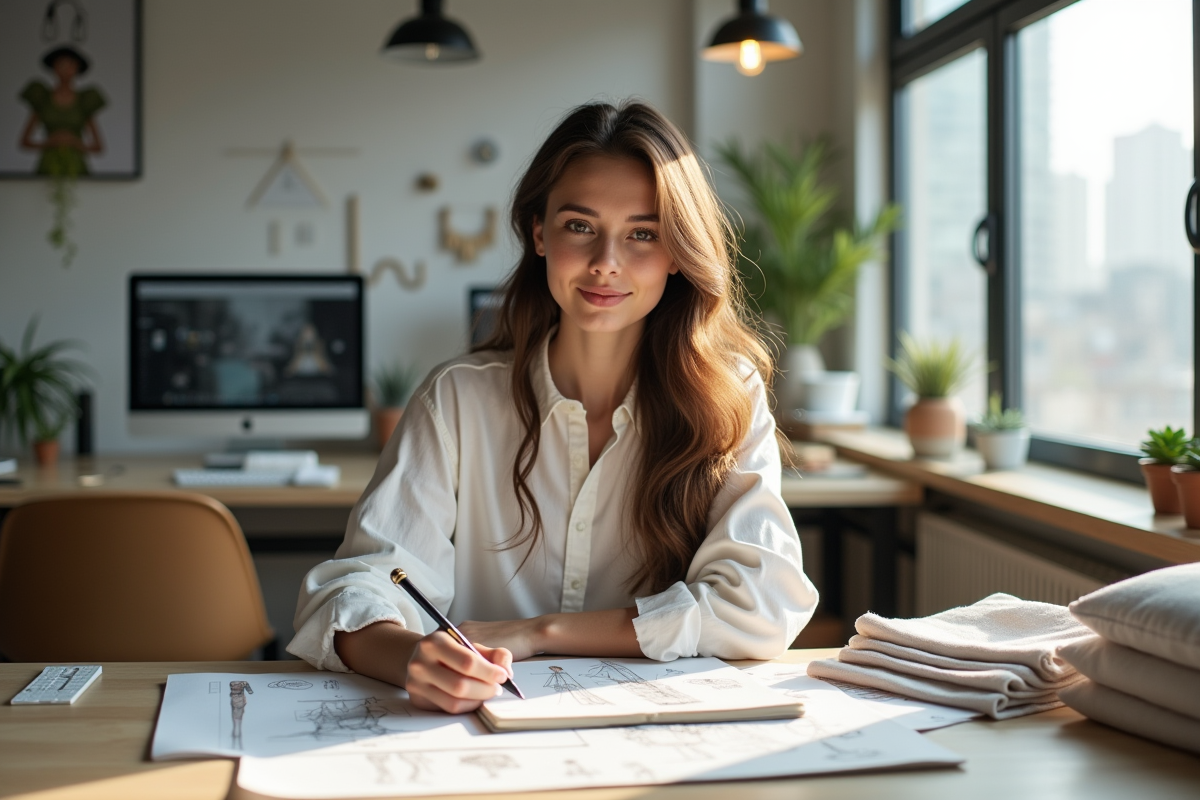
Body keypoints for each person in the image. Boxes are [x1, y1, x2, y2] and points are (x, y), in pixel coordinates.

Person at [288, 100, 818, 713]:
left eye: (642, 233)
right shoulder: (457, 398)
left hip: (655, 734)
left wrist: (540, 633)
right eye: (579, 225)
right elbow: (358, 584)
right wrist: (412, 657)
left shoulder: (728, 395)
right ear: (538, 232)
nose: (606, 262)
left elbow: (762, 603)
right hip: (474, 735)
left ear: (677, 253)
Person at [18, 46, 106, 177]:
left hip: (76, 164)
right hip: (48, 163)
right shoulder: (43, 99)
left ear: (77, 69)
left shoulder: (84, 101)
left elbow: (98, 146)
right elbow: (24, 141)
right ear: (54, 68)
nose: (65, 70)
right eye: (61, 65)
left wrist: (74, 142)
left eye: (70, 65)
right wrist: (50, 142)